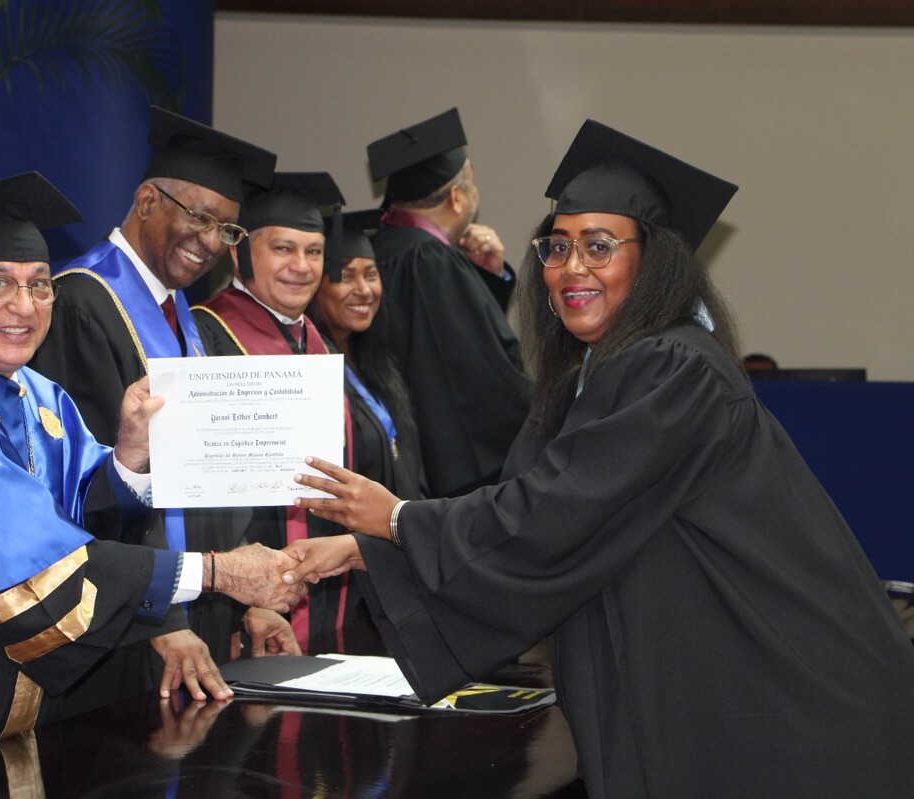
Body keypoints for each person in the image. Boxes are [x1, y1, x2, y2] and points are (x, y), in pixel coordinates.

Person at [283, 121, 914, 797]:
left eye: (599, 246)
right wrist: (369, 548)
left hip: (791, 703)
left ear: (652, 261)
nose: (571, 267)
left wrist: (400, 518)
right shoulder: (597, 373)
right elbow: (540, 520)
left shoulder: (672, 368)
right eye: (557, 247)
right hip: (726, 699)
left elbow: (552, 515)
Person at [0, 172, 304, 762]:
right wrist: (213, 572)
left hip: (21, 707)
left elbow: (83, 507)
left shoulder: (38, 394)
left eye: (39, 286)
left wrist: (130, 457)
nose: (24, 307)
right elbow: (35, 568)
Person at [30, 108, 297, 664]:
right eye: (199, 218)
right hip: (128, 624)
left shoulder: (181, 314)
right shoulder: (81, 304)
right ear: (148, 201)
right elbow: (96, 484)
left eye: (226, 229)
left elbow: (200, 473)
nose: (211, 242)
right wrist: (163, 617)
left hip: (191, 605)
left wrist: (244, 593)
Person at [192, 172, 363, 655]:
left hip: (329, 593)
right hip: (244, 606)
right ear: (239, 252)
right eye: (283, 249)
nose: (302, 266)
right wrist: (242, 601)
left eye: (314, 251)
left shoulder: (319, 343)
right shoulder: (204, 336)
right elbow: (202, 489)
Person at [367, 108, 534, 498]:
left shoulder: (375, 253)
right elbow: (484, 376)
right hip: (448, 477)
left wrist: (487, 280)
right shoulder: (433, 261)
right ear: (458, 197)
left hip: (396, 464)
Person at [306, 208, 424, 503]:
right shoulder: (311, 373)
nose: (364, 290)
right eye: (345, 276)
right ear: (315, 287)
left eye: (371, 275)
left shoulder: (378, 364)